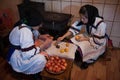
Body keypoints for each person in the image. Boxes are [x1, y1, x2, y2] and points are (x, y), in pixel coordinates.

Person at [57, 4, 107, 69]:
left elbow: (99, 41)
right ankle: (80, 54)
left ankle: (87, 61)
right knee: (74, 39)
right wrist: (63, 37)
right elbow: (74, 29)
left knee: (86, 47)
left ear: (91, 16)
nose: (82, 20)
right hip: (88, 36)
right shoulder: (86, 19)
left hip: (97, 41)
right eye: (81, 17)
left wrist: (85, 39)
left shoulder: (101, 24)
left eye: (83, 18)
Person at [7, 9, 53, 75]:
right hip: (17, 57)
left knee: (40, 50)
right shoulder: (25, 32)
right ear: (34, 22)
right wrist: (43, 46)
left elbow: (33, 32)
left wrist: (40, 36)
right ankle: (32, 73)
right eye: (39, 24)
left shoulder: (25, 25)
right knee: (41, 59)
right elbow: (27, 54)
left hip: (20, 51)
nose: (41, 26)